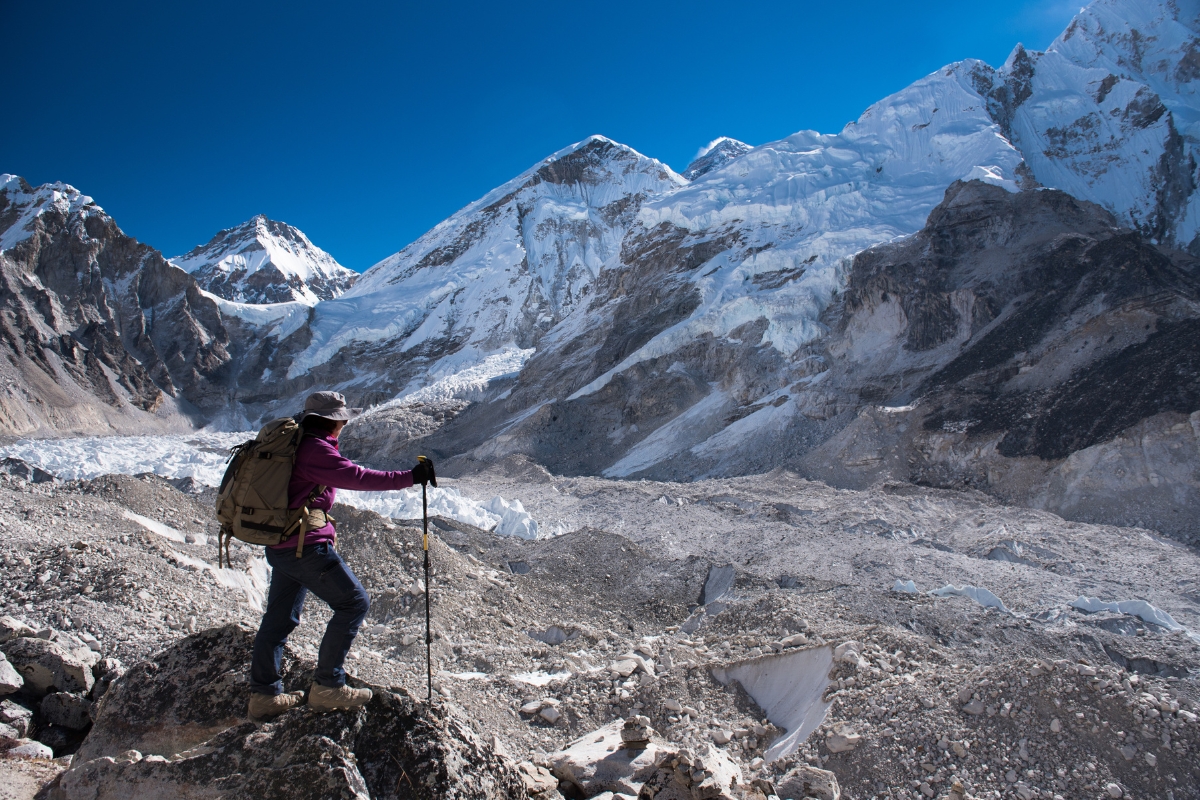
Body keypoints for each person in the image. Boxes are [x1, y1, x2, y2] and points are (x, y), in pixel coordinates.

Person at [247, 390, 435, 720]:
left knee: (278, 621)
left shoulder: (297, 444)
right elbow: (357, 477)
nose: (344, 425)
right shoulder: (315, 450)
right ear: (334, 422)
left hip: (282, 545)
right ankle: (328, 686)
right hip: (305, 548)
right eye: (342, 420)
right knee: (354, 602)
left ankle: (264, 696)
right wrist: (410, 477)